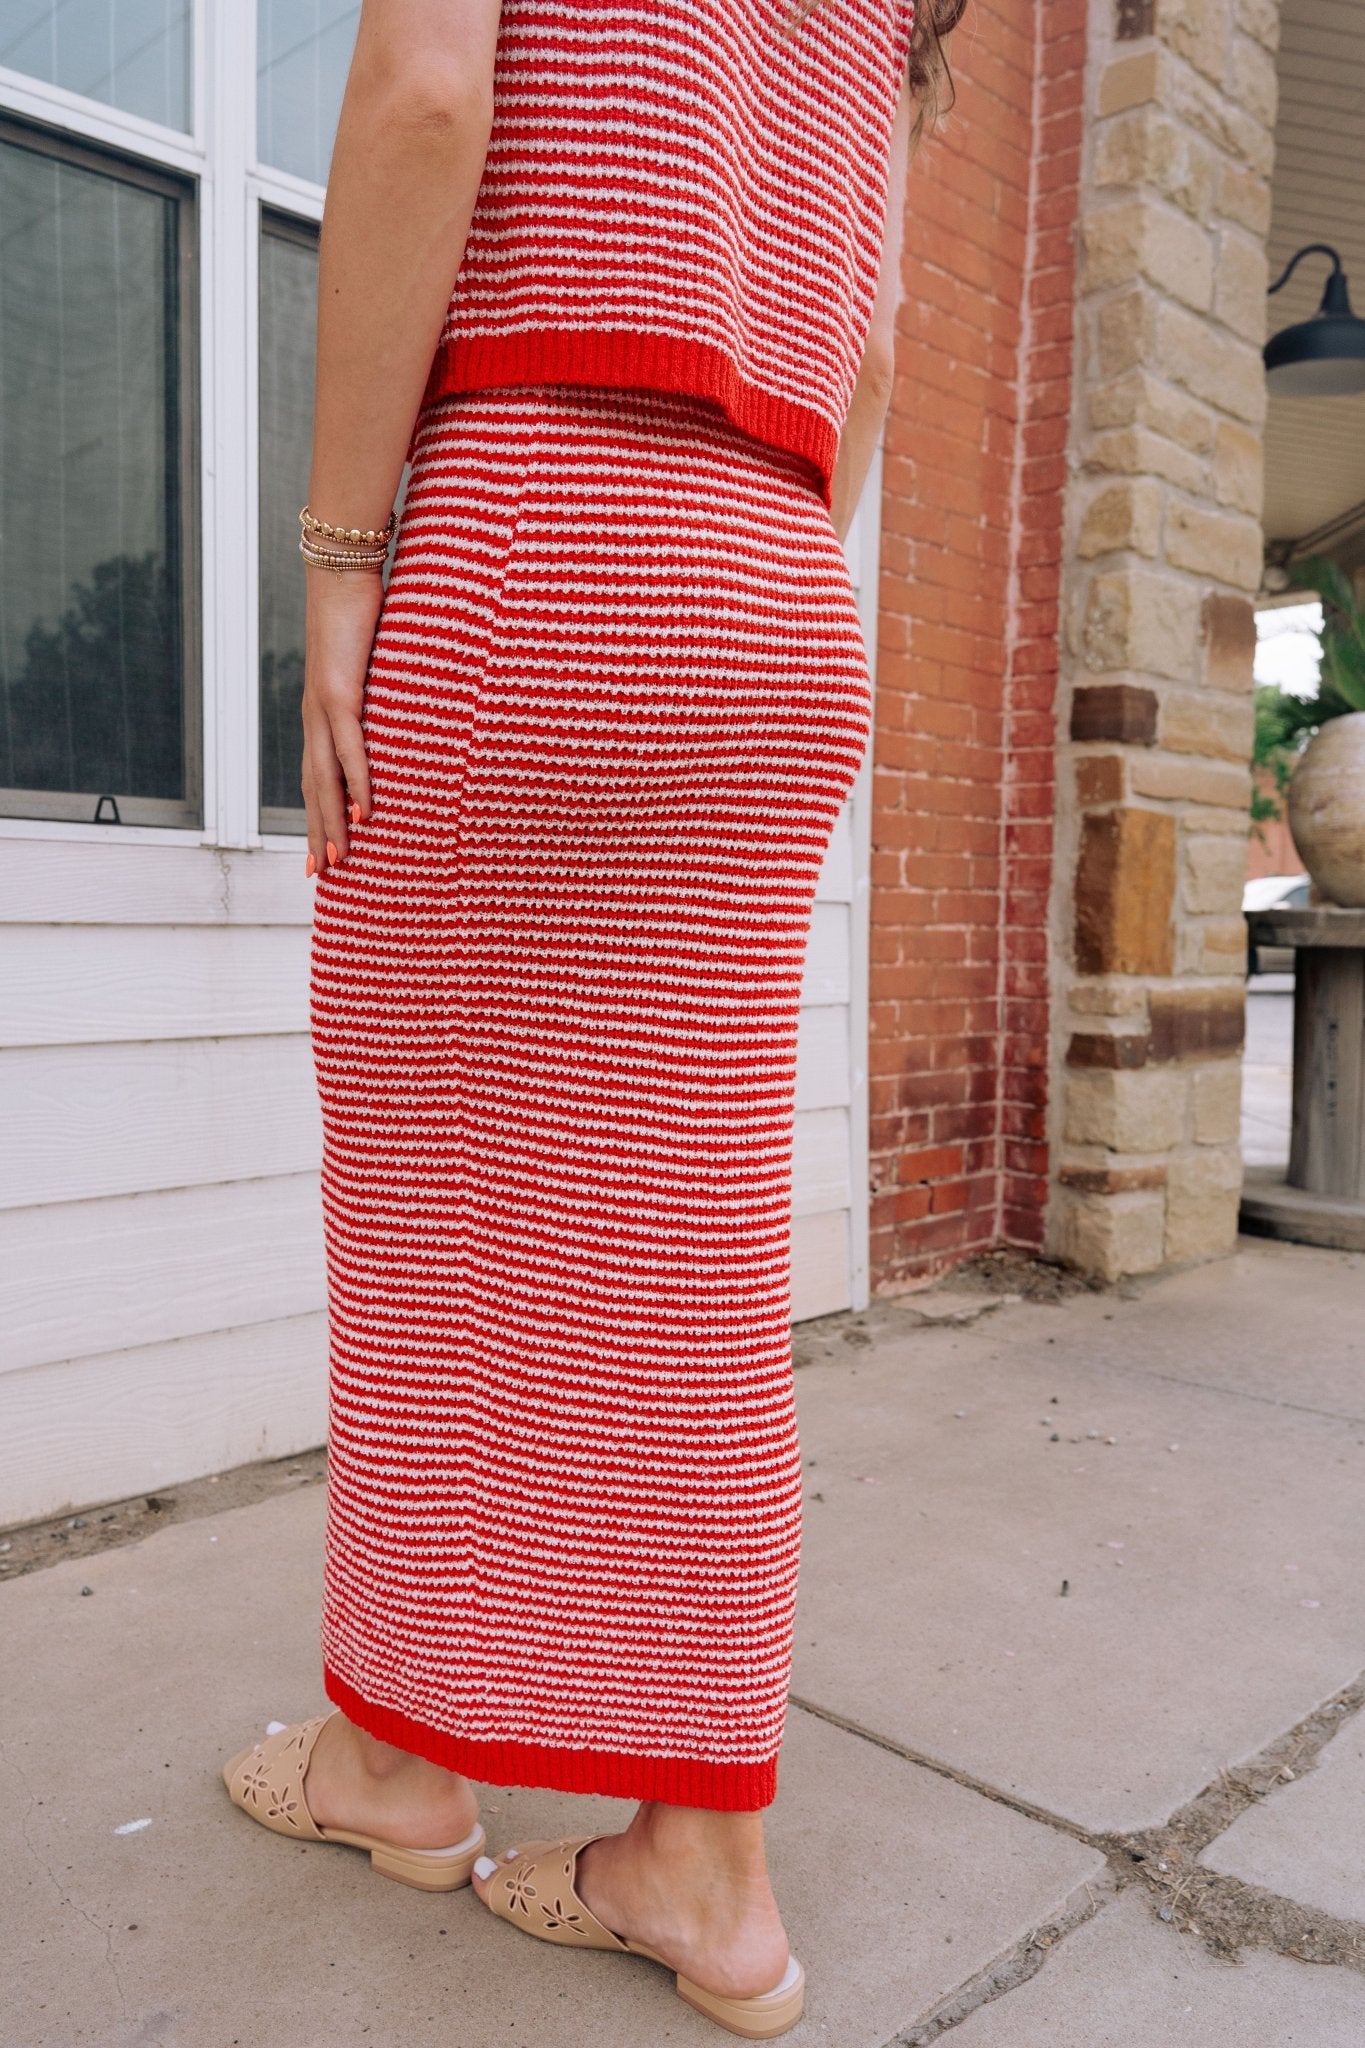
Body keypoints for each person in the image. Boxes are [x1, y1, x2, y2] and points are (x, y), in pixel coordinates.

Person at [223, 0, 964, 2035]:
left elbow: (427, 92)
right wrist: (746, 600)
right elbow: (870, 336)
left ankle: (392, 1759)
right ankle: (699, 1861)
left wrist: (339, 559)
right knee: (686, 1248)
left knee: (427, 1200)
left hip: (535, 524)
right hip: (774, 579)